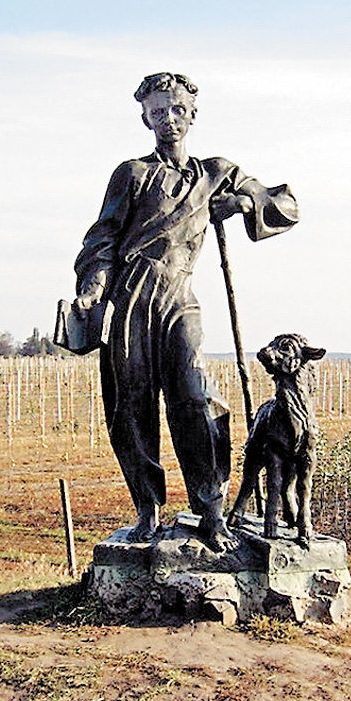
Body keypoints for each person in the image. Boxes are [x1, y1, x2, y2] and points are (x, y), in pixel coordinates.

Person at [73, 72, 299, 552]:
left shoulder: (216, 171)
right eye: (158, 112)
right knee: (130, 407)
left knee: (197, 397)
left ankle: (211, 508)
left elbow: (286, 204)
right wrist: (92, 289)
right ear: (144, 118)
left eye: (176, 109)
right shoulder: (131, 174)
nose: (168, 120)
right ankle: (147, 508)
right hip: (130, 295)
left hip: (180, 294)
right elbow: (102, 239)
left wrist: (240, 203)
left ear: (192, 114)